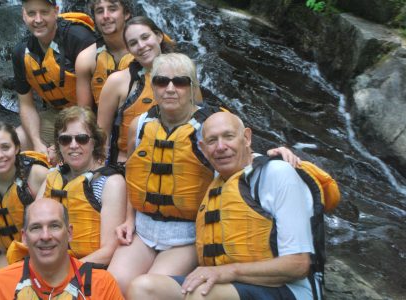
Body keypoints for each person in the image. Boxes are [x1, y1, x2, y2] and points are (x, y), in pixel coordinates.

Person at [106, 53, 300, 295]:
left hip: (186, 236)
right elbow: (135, 175)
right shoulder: (139, 125)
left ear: (192, 87)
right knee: (114, 284)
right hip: (143, 230)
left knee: (151, 288)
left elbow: (242, 156)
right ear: (152, 86)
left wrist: (277, 154)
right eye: (161, 81)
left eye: (180, 81)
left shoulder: (208, 128)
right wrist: (128, 219)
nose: (170, 88)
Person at [126, 111, 318, 300]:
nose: (220, 147)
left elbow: (299, 265)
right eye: (212, 141)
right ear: (202, 147)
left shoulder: (276, 173)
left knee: (200, 296)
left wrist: (227, 272)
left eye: (228, 136)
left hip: (285, 289)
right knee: (143, 288)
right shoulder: (215, 179)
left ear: (247, 138)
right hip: (227, 284)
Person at [0, 198, 125, 299]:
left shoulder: (102, 284)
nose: (46, 236)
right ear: (24, 237)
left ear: (69, 233)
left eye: (54, 226)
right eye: (36, 228)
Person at [36, 106, 127, 265]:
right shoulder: (52, 176)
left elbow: (108, 252)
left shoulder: (111, 183)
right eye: (65, 139)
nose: (73, 145)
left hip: (90, 269)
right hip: (48, 262)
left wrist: (67, 272)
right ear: (58, 144)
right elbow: (33, 228)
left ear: (94, 143)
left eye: (82, 138)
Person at [96, 16, 190, 167]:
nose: (141, 46)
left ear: (159, 36)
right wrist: (100, 173)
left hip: (176, 164)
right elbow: (102, 136)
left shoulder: (185, 75)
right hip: (127, 166)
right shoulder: (117, 82)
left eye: (145, 37)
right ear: (129, 50)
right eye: (133, 43)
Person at [13, 0, 96, 159]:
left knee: (63, 153)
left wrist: (58, 146)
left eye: (44, 12)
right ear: (24, 15)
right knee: (17, 140)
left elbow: (85, 110)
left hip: (91, 115)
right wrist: (37, 143)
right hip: (57, 115)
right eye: (31, 13)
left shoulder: (78, 38)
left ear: (55, 11)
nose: (38, 20)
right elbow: (26, 104)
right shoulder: (21, 53)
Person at [0, 120, 49, 270]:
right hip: (8, 256)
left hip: (46, 251)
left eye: (5, 147)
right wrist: (0, 262)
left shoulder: (38, 175)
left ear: (17, 148)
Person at [75, 0, 135, 109]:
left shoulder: (146, 49)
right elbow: (84, 111)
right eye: (99, 11)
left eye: (112, 9)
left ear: (126, 13)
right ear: (94, 18)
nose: (105, 16)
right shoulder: (85, 59)